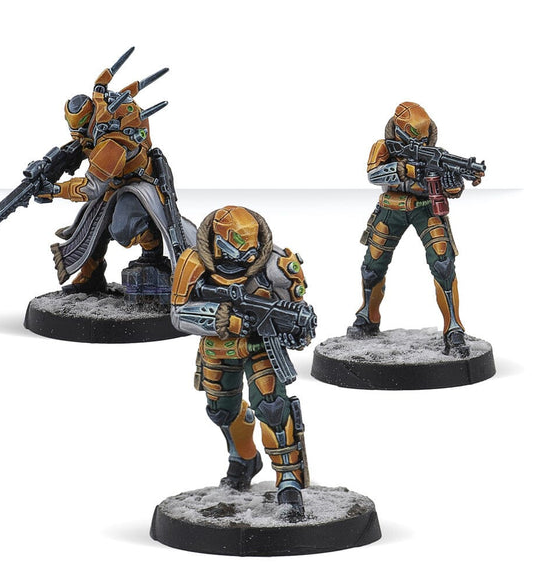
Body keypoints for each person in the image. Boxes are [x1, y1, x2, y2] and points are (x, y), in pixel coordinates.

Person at [170, 206, 316, 520]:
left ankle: (288, 482)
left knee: (273, 409)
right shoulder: (194, 262)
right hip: (217, 347)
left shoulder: (276, 265)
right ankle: (244, 459)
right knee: (221, 411)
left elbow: (297, 312)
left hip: (261, 347)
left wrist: (296, 331)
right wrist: (223, 319)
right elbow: (178, 314)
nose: (249, 252)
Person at [39, 47, 194, 296]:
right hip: (113, 183)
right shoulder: (96, 123)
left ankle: (152, 254)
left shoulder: (112, 140)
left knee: (123, 228)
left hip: (139, 184)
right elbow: (82, 147)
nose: (77, 133)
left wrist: (55, 190)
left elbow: (90, 188)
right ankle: (90, 275)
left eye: (81, 126)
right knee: (92, 229)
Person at [348, 102, 484, 357]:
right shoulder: (384, 147)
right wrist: (404, 170)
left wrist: (452, 184)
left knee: (443, 264)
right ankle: (368, 315)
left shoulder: (438, 155)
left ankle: (453, 327)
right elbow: (373, 175)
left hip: (425, 209)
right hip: (391, 208)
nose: (420, 144)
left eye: (424, 138)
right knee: (372, 265)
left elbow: (452, 189)